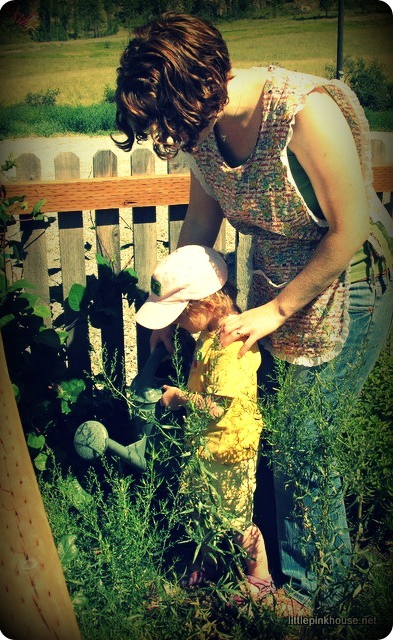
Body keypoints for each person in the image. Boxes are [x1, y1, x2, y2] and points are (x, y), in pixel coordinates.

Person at [114, 13, 393, 615]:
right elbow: (200, 229)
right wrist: (169, 315)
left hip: (352, 281)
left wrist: (275, 312)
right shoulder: (206, 137)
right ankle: (267, 569)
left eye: (164, 121)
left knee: (303, 440)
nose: (165, 139)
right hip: (277, 283)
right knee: (274, 429)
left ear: (193, 92)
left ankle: (316, 597)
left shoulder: (302, 114)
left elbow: (350, 230)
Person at [135, 244, 275, 603]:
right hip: (209, 447)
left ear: (208, 306)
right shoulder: (212, 334)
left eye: (181, 315)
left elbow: (215, 409)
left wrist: (178, 398)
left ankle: (260, 577)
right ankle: (210, 565)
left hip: (231, 451)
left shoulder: (233, 347)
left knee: (235, 519)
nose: (178, 323)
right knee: (208, 510)